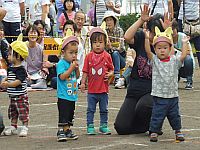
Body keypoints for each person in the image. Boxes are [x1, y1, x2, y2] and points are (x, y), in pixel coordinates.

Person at [114, 4, 170, 135]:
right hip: (134, 91)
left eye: (157, 33)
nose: (153, 36)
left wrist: (168, 33)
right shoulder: (141, 37)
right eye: (152, 32)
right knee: (121, 127)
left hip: (153, 92)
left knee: (143, 106)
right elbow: (127, 37)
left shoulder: (164, 47)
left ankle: (155, 123)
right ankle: (146, 126)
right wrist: (141, 20)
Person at [144, 26, 189, 142]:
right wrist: (146, 38)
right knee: (157, 115)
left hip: (173, 96)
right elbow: (148, 52)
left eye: (165, 48)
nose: (162, 50)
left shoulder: (174, 60)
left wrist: (184, 43)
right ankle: (154, 131)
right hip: (159, 95)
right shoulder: (155, 61)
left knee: (175, 116)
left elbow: (183, 56)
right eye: (159, 48)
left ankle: (178, 131)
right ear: (155, 49)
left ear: (170, 49)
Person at [80, 27, 114, 135]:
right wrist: (83, 83)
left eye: (100, 42)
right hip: (92, 90)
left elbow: (112, 69)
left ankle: (103, 126)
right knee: (91, 109)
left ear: (105, 43)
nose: (98, 45)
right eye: (95, 42)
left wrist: (110, 74)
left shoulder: (107, 56)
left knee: (104, 109)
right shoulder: (88, 57)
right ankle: (90, 126)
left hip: (103, 90)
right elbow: (85, 71)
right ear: (91, 44)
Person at [0, 34, 29, 137]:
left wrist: (8, 85)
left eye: (10, 53)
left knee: (22, 111)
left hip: (20, 96)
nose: (8, 55)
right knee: (13, 111)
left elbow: (18, 81)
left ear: (17, 55)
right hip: (12, 96)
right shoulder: (12, 67)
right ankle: (13, 126)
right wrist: (5, 79)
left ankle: (25, 126)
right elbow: (9, 76)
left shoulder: (21, 69)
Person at [56, 32, 79, 142]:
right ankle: (61, 130)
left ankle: (67, 129)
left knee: (70, 113)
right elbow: (62, 77)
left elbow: (77, 76)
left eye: (75, 53)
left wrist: (76, 68)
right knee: (64, 113)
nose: (74, 55)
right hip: (63, 95)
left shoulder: (73, 64)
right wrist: (71, 68)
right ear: (63, 52)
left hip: (72, 95)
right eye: (71, 53)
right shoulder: (61, 63)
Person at [103, 11, 126, 85]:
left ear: (114, 21)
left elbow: (121, 47)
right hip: (109, 59)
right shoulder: (104, 32)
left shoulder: (119, 31)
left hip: (120, 59)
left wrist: (111, 47)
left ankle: (117, 77)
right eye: (107, 20)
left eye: (110, 20)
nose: (109, 22)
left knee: (115, 53)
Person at [172, 20, 195, 89]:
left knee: (188, 58)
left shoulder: (182, 36)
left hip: (185, 65)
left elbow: (187, 52)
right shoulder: (166, 38)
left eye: (173, 29)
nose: (172, 32)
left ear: (176, 29)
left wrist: (176, 50)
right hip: (174, 65)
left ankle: (189, 80)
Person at [178, 0, 200, 67]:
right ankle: (185, 71)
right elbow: (179, 2)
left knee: (198, 47)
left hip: (197, 19)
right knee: (183, 46)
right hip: (183, 20)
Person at [25, 24, 48, 89]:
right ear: (27, 34)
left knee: (41, 82)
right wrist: (26, 74)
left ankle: (33, 85)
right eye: (31, 32)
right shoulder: (23, 47)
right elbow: (22, 63)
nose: (33, 35)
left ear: (37, 35)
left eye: (35, 33)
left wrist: (43, 72)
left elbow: (44, 64)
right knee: (25, 81)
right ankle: (32, 84)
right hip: (27, 74)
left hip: (38, 74)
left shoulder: (41, 48)